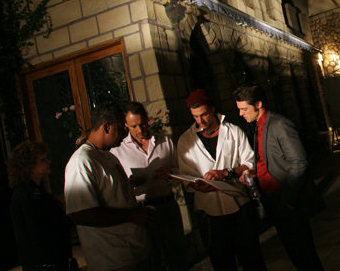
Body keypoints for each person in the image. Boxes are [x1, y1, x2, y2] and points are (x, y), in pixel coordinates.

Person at [234, 84, 324, 271]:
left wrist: (288, 201)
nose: (241, 114)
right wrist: (254, 173)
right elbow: (268, 160)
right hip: (274, 201)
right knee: (295, 255)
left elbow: (299, 163)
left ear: (258, 104)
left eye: (244, 109)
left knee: (305, 258)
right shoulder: (257, 126)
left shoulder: (279, 124)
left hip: (287, 200)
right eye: (239, 109)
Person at [177, 89, 266, 271]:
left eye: (204, 115)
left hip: (240, 207)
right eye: (195, 117)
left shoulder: (233, 131)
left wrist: (226, 173)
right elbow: (187, 177)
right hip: (210, 213)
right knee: (222, 263)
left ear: (213, 109)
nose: (201, 121)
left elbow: (249, 164)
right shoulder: (186, 141)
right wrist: (199, 185)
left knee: (252, 260)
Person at [64, 103, 153, 271]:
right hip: (113, 259)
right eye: (121, 128)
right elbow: (81, 214)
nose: (125, 134)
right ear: (106, 127)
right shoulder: (82, 162)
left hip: (134, 251)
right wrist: (131, 215)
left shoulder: (109, 156)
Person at [110, 102, 187, 271]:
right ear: (126, 125)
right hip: (142, 210)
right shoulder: (118, 151)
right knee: (152, 259)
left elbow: (179, 171)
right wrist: (130, 184)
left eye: (143, 124)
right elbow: (116, 187)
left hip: (167, 206)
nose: (140, 130)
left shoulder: (164, 141)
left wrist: (169, 174)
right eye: (134, 126)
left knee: (177, 256)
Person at [8, 141, 76, 271]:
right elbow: (38, 232)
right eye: (42, 160)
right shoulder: (27, 195)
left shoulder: (37, 192)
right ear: (29, 166)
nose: (48, 162)